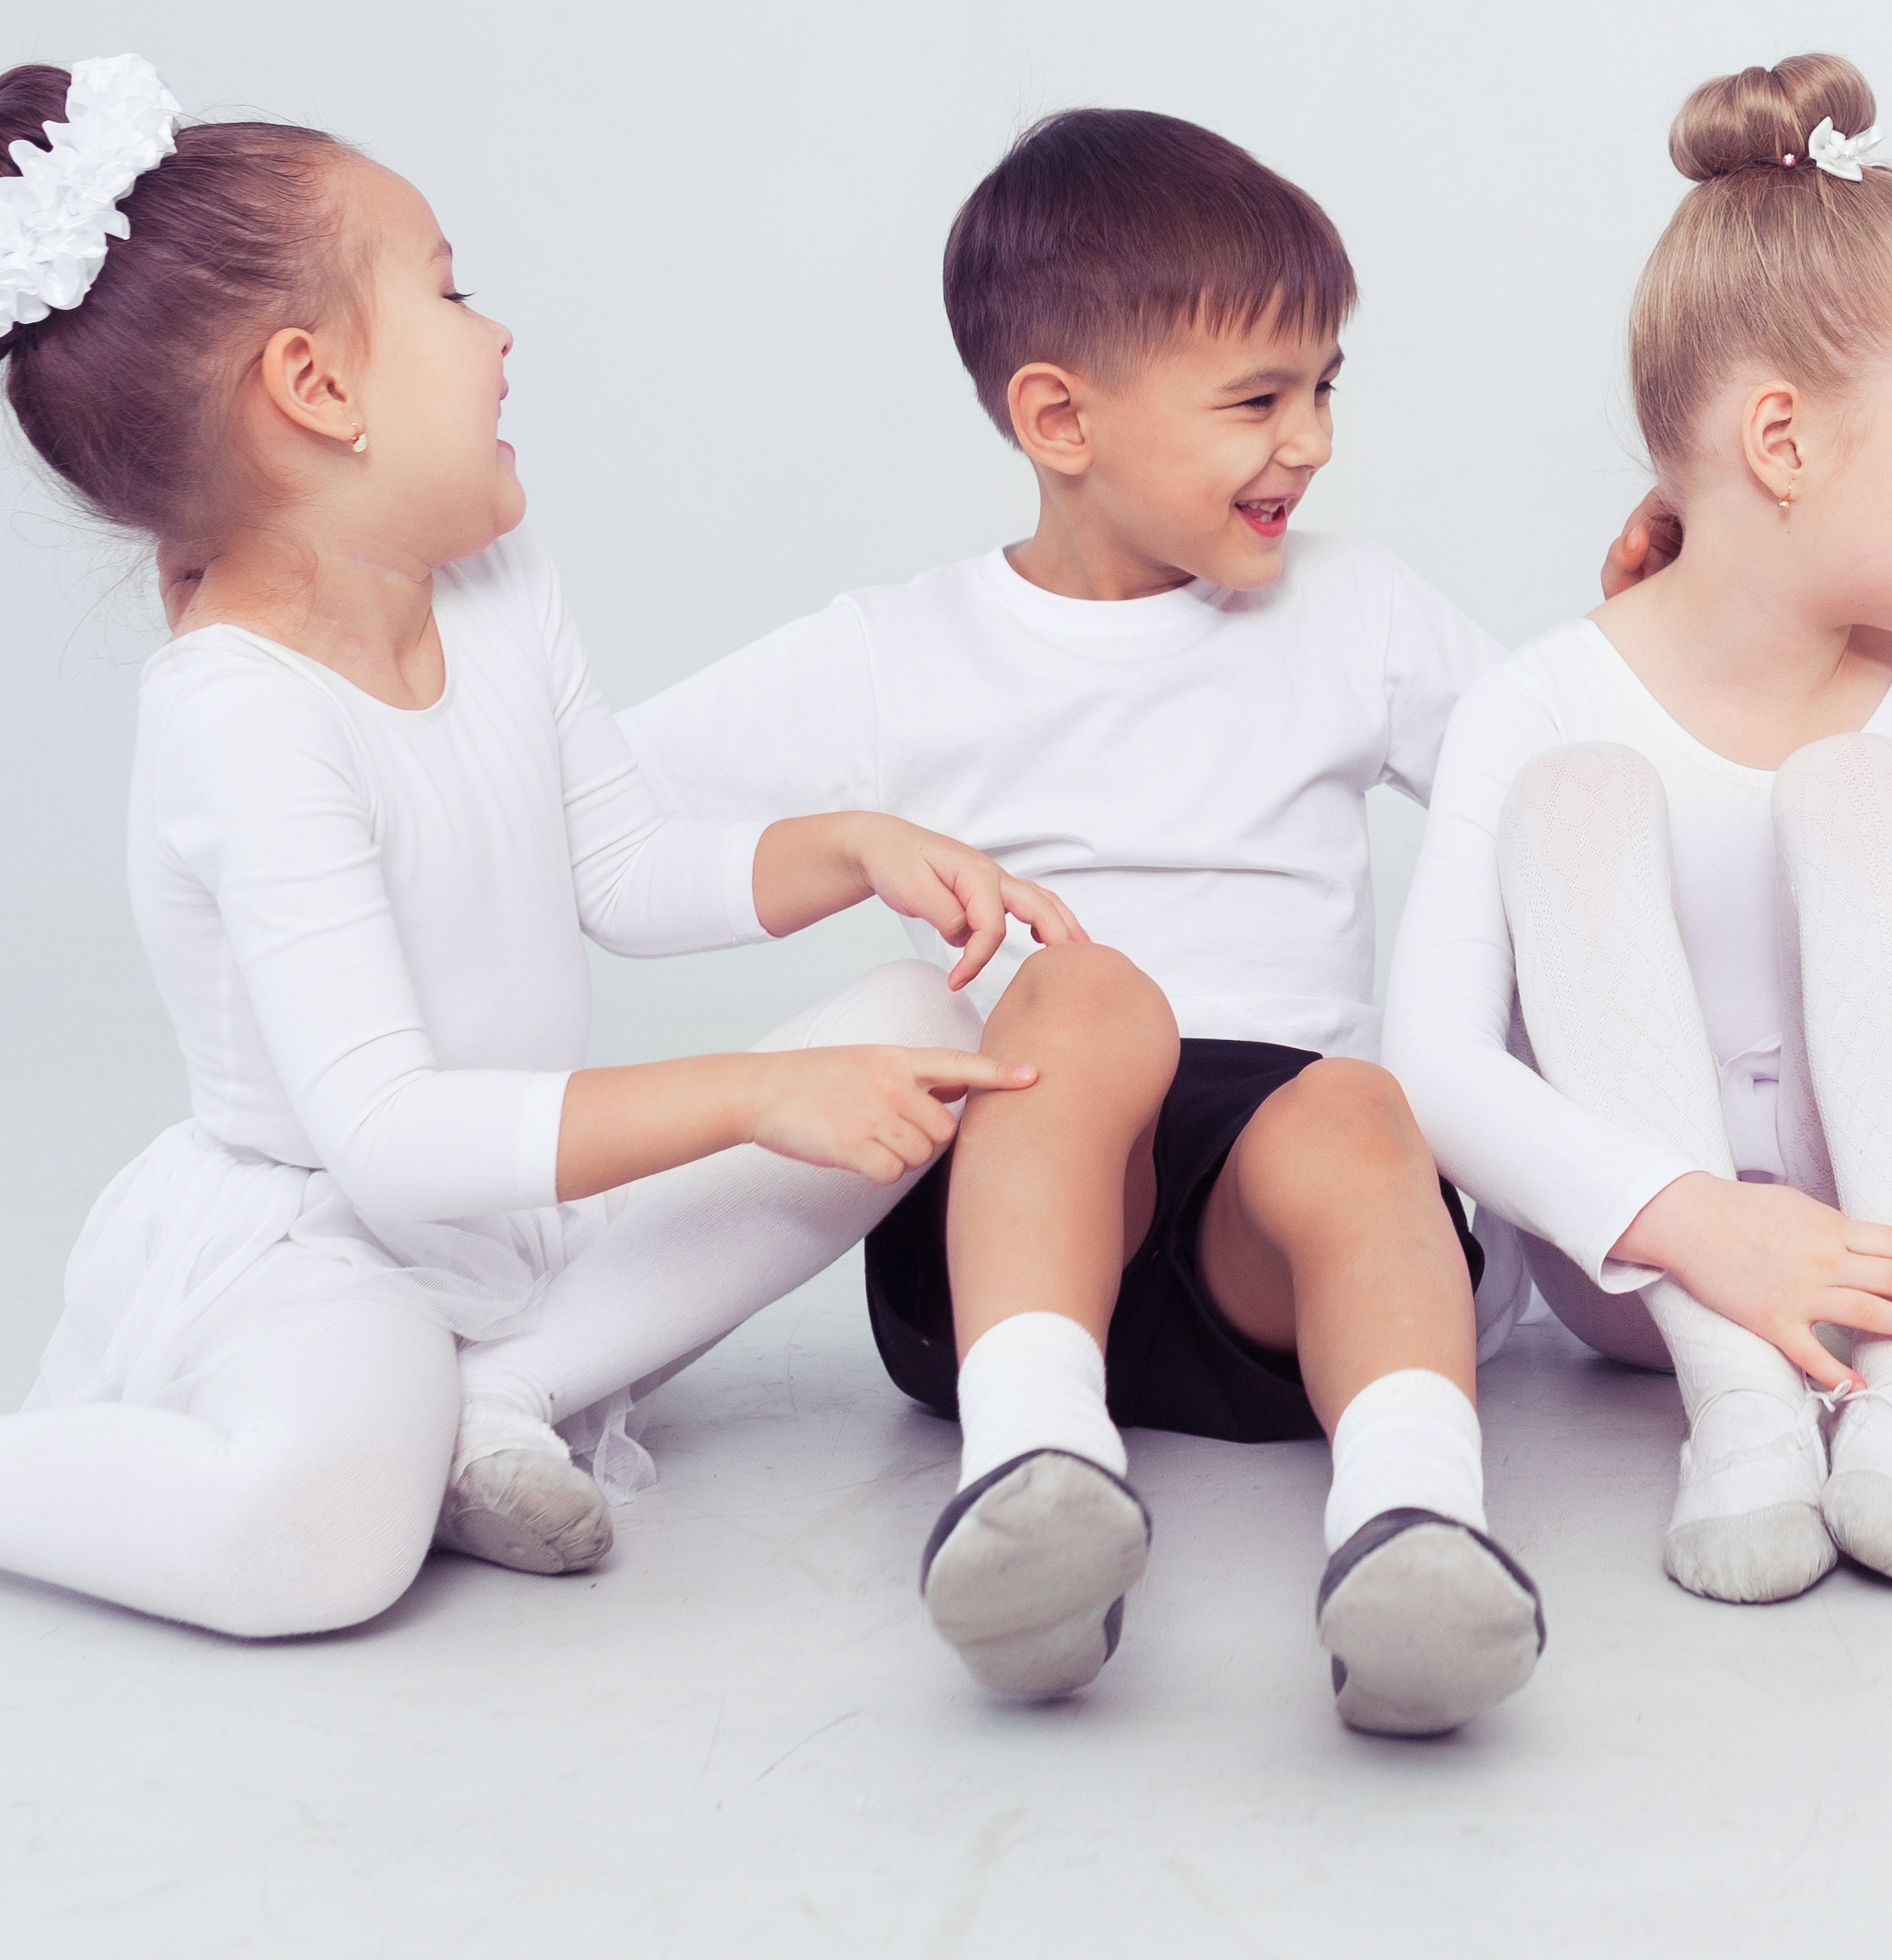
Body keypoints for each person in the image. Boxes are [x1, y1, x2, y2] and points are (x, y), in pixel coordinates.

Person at [0, 57, 1058, 1643]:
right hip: (332, 1242)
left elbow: (614, 864)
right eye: (449, 292)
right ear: (318, 389)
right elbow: (389, 1139)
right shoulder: (241, 716)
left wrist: (856, 846)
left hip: (529, 1210)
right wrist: (759, 1095)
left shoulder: (491, 571)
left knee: (923, 1035)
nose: (500, 334)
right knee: (320, 1541)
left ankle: (503, 1398)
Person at [625, 108, 1542, 1736]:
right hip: (1020, 1224)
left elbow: (1562, 786)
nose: (1312, 437)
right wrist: (848, 846)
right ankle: (1033, 1469)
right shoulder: (902, 647)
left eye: (1326, 383)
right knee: (1087, 995)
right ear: (1058, 417)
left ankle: (1416, 1527)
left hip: (1271, 1246)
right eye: (1257, 398)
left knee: (1354, 1102)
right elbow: (609, 814)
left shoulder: (1359, 610)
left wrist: (1670, 625)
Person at [1387, 56, 1892, 1606]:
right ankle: (1742, 1416)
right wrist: (1703, 1227)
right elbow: (1438, 1066)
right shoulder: (1536, 703)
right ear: (1784, 443)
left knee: (1857, 788)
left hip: (1890, 1256)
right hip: (1645, 1278)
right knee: (1579, 797)